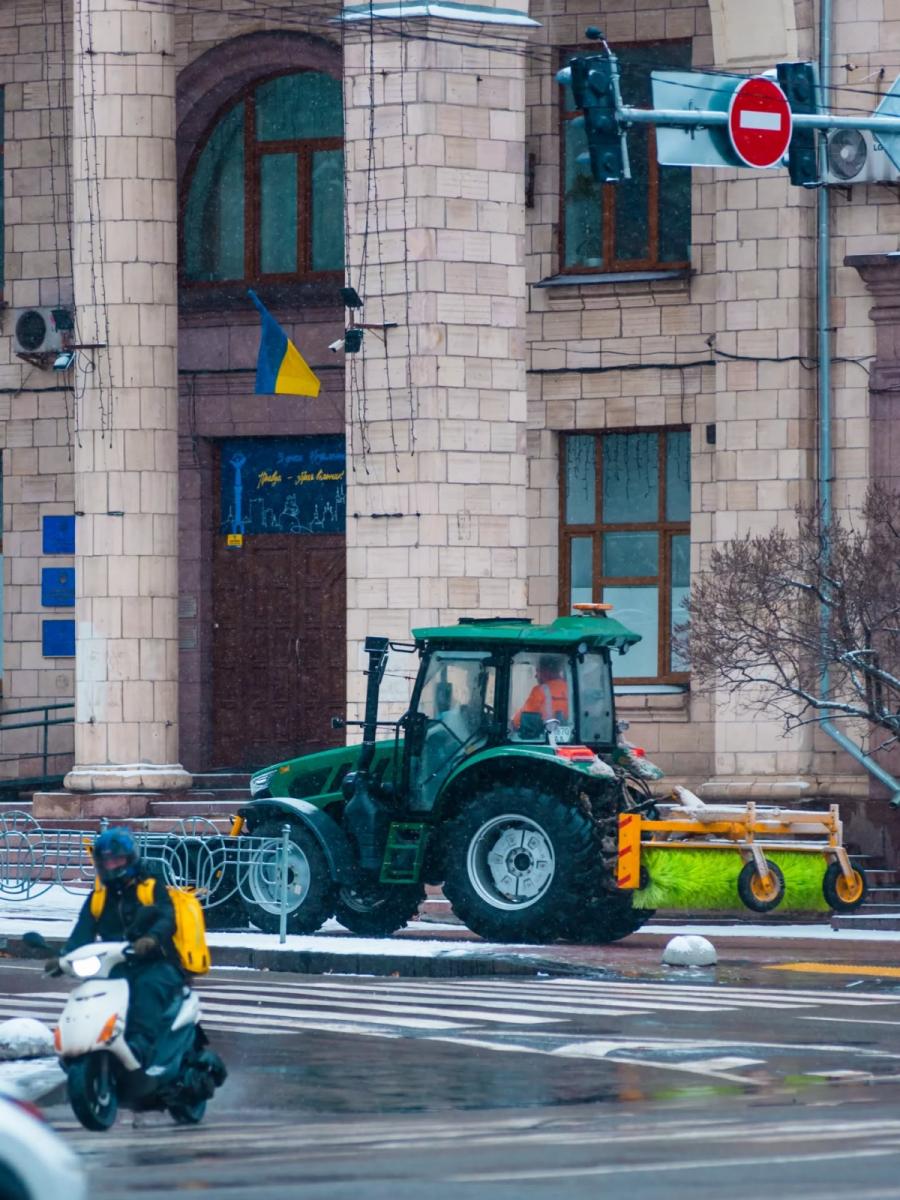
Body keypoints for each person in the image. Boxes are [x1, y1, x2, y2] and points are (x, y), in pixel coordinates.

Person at [46, 827, 186, 1068]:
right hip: (114, 963)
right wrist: (63, 958)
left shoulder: (149, 888)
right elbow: (82, 932)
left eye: (117, 859)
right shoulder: (98, 896)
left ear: (130, 859)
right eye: (106, 860)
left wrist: (151, 939)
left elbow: (167, 917)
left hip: (155, 961)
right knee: (91, 991)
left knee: (145, 989)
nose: (111, 865)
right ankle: (79, 1040)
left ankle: (143, 1045)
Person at [511, 655, 570, 731]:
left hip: (546, 737)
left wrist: (513, 722)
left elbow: (522, 717)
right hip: (569, 737)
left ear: (546, 671)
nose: (536, 676)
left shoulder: (540, 690)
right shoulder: (570, 689)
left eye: (537, 671)